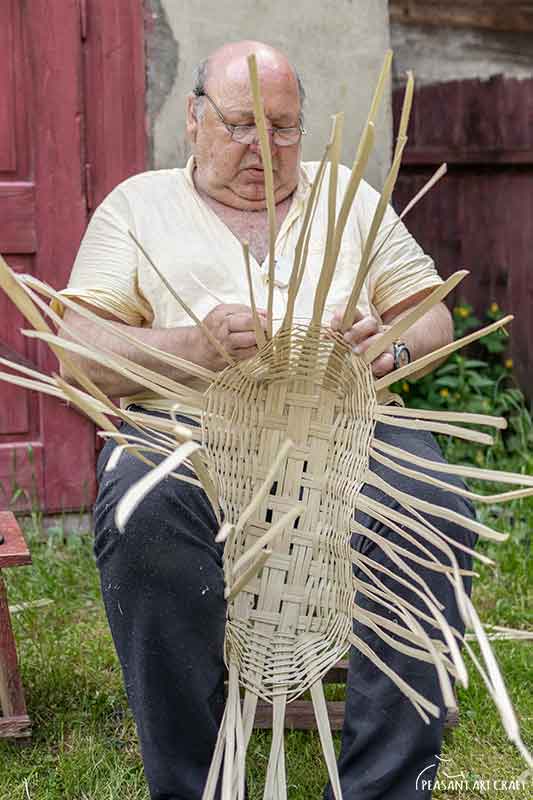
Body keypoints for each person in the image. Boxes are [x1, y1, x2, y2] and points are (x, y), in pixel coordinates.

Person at [59, 41, 475, 800]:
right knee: (144, 513)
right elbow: (79, 351)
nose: (266, 149)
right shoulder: (137, 205)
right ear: (193, 118)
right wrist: (194, 345)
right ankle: (192, 783)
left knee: (431, 511)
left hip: (347, 424)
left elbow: (430, 313)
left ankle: (381, 786)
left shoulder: (343, 194)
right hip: (186, 427)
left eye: (284, 129)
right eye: (243, 125)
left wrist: (387, 350)